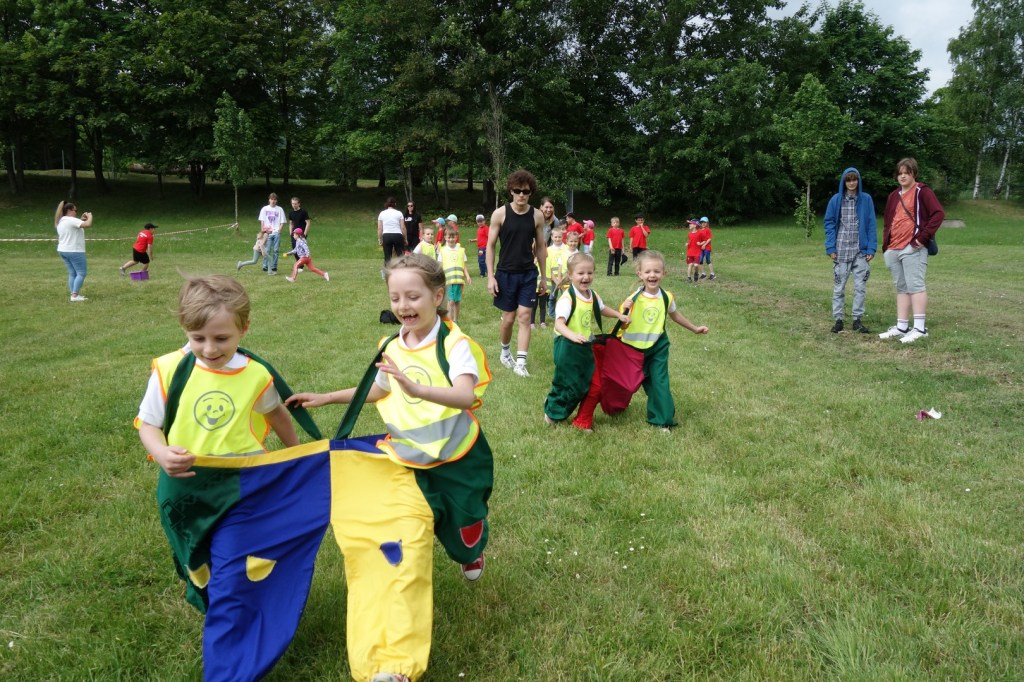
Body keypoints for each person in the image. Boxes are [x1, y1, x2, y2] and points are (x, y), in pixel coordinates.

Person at [287, 254, 493, 682]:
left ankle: (470, 551)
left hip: (460, 460)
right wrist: (326, 398)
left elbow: (465, 396)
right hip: (406, 460)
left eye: (413, 296)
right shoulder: (391, 346)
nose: (403, 305)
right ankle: (393, 655)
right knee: (403, 539)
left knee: (464, 532)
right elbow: (379, 390)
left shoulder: (454, 344)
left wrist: (417, 388)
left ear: (438, 296)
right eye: (395, 297)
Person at [135, 275, 303, 681]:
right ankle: (226, 610)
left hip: (242, 488)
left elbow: (276, 412)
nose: (210, 349)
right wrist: (161, 452)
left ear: (244, 329)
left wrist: (296, 454)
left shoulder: (256, 373)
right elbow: (148, 424)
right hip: (185, 490)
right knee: (199, 567)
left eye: (221, 338)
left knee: (232, 571)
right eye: (198, 338)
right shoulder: (169, 369)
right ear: (184, 330)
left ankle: (232, 658)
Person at [618, 250, 708, 431]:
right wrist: (624, 312)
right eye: (648, 271)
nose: (652, 275)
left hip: (657, 348)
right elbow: (622, 324)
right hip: (632, 350)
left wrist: (694, 328)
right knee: (627, 385)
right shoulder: (633, 299)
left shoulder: (667, 296)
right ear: (640, 274)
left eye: (657, 271)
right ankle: (614, 406)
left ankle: (662, 420)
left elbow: (675, 315)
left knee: (659, 382)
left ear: (664, 273)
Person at [543, 252, 630, 429]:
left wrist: (618, 315)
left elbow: (602, 308)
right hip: (567, 347)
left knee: (593, 385)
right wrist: (572, 335)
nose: (586, 277)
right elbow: (559, 324)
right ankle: (552, 412)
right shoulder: (567, 299)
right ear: (570, 275)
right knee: (569, 385)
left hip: (584, 346)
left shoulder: (592, 294)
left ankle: (582, 421)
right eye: (581, 273)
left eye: (590, 273)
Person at [486, 169, 547, 378]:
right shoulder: (500, 214)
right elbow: (490, 246)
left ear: (531, 193)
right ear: (511, 191)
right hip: (505, 273)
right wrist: (491, 277)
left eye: (526, 191)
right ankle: (505, 352)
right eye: (517, 190)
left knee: (525, 316)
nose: (521, 195)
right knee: (509, 318)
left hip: (528, 273)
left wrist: (544, 277)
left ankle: (521, 363)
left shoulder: (537, 215)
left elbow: (541, 247)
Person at [880, 157, 944, 344]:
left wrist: (921, 239)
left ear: (914, 174)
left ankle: (920, 329)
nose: (903, 176)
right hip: (893, 248)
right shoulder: (893, 195)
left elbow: (938, 214)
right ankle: (902, 326)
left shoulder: (922, 192)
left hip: (913, 247)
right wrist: (886, 246)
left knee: (915, 286)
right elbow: (888, 222)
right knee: (901, 288)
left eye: (907, 173)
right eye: (900, 173)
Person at [824, 168, 876, 333]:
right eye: (848, 180)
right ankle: (838, 319)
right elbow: (829, 223)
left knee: (860, 287)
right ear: (844, 182)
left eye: (854, 180)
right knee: (839, 287)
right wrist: (831, 246)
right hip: (841, 249)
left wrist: (871, 248)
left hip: (860, 250)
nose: (852, 183)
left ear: (858, 181)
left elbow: (871, 224)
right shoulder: (836, 200)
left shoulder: (866, 199)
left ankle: (857, 320)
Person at [54, 200, 93, 302]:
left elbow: (74, 227)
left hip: (63, 250)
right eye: (75, 210)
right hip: (74, 250)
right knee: (81, 273)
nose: (76, 212)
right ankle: (75, 295)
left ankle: (73, 294)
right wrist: (90, 216)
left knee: (72, 273)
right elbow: (88, 224)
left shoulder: (61, 221)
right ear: (69, 210)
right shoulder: (71, 220)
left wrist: (81, 219)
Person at [438, 226, 471, 323]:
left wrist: (467, 276)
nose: (451, 239)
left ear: (456, 237)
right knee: (451, 301)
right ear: (445, 237)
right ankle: (449, 321)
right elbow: (440, 266)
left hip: (459, 280)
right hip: (448, 280)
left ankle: (456, 320)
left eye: (453, 237)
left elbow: (463, 265)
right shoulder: (442, 251)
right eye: (449, 237)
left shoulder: (461, 250)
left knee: (457, 301)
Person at [258, 193, 286, 275]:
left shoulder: (280, 209)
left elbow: (282, 222)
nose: (273, 201)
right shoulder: (264, 209)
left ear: (276, 201)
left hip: (276, 232)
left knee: (276, 250)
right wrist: (263, 231)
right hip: (267, 232)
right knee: (267, 250)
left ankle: (274, 266)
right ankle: (265, 265)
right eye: (271, 199)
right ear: (269, 200)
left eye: (274, 199)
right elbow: (262, 221)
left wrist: (279, 230)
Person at [544, 228, 568, 321]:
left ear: (563, 237)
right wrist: (555, 278)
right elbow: (548, 266)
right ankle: (551, 313)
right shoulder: (548, 250)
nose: (557, 239)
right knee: (552, 296)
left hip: (565, 278)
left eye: (559, 237)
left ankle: (566, 313)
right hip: (553, 278)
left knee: (566, 296)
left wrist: (564, 278)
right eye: (556, 237)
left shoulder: (566, 248)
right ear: (552, 237)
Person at [378, 196, 408, 265]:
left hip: (386, 235)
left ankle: (387, 270)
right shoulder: (399, 213)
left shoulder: (382, 213)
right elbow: (403, 227)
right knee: (401, 256)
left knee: (387, 256)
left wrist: (380, 239)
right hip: (397, 235)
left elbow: (380, 228)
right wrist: (405, 239)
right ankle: (402, 269)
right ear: (395, 204)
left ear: (386, 204)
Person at [288, 197, 311, 267]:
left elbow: (308, 223)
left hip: (301, 234)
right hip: (294, 234)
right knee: (294, 249)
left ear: (299, 204)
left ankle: (301, 266)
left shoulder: (303, 212)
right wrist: (291, 233)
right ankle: (299, 264)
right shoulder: (291, 212)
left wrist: (304, 234)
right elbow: (291, 223)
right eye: (293, 204)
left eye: (295, 204)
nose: (294, 205)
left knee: (301, 249)